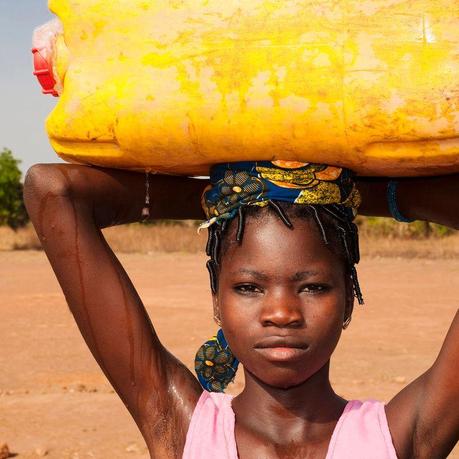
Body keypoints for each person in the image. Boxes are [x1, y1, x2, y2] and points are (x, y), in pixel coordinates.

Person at [23, 161, 459, 458]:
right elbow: (52, 189)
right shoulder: (182, 428)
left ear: (349, 296)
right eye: (249, 287)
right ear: (216, 297)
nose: (282, 312)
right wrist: (234, 193)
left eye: (313, 287)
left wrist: (341, 194)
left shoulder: (398, 438)